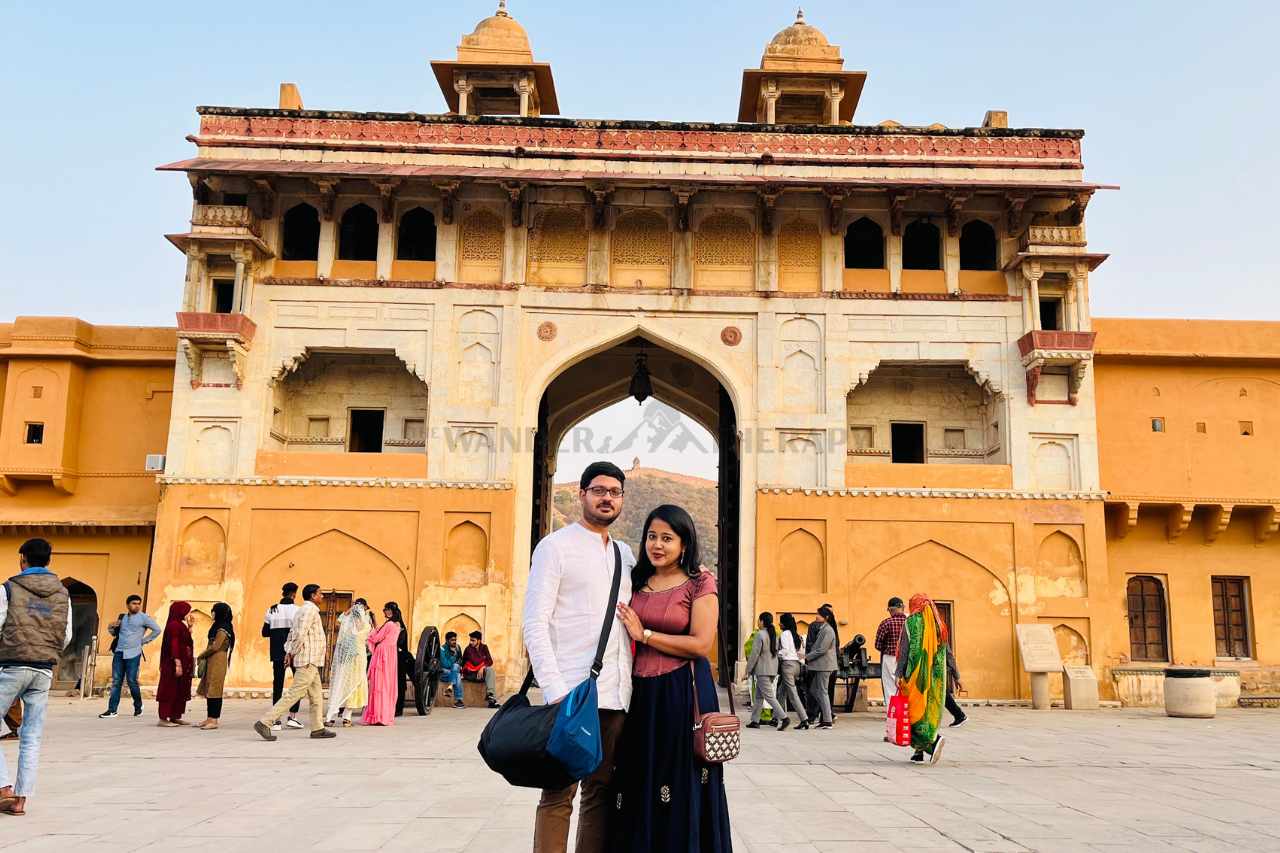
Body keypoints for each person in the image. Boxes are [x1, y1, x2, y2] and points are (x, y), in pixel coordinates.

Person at [523, 461, 636, 853]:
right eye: (599, 490)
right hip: (570, 692)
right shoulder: (555, 547)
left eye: (615, 492)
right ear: (582, 494)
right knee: (557, 795)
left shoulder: (624, 555)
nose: (608, 498)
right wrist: (555, 690)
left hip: (616, 695)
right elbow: (534, 623)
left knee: (600, 793)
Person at [611, 504, 732, 851]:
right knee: (638, 777)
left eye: (667, 538)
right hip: (641, 695)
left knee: (680, 780)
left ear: (684, 543)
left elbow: (701, 643)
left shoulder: (699, 582)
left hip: (682, 692)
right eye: (651, 536)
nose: (657, 545)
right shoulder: (635, 580)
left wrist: (644, 634)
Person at [0, 538, 71, 817]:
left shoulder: (9, 589)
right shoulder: (63, 593)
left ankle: (4, 786)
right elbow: (66, 637)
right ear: (49, 561)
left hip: (11, 665)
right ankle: (20, 801)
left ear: (22, 559)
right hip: (43, 670)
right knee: (31, 736)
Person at [253, 584, 336, 741]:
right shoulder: (308, 610)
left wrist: (288, 651)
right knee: (294, 693)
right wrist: (291, 652)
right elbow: (299, 634)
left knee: (316, 696)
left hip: (312, 660)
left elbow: (292, 632)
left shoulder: (303, 610)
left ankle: (318, 728)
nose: (322, 596)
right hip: (307, 659)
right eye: (320, 594)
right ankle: (265, 722)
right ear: (313, 595)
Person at [895, 593, 950, 764]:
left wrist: (899, 673)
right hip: (935, 677)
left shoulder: (911, 622)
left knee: (913, 712)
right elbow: (946, 651)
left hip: (915, 676)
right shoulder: (938, 624)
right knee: (928, 710)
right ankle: (918, 752)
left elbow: (904, 650)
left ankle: (932, 743)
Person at [98, 594, 161, 719]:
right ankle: (112, 710)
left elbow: (157, 630)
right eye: (134, 603)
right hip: (119, 652)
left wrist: (143, 641)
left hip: (133, 653)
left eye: (138, 603)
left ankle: (138, 706)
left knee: (132, 681)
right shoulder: (123, 618)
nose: (136, 606)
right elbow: (114, 634)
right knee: (116, 682)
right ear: (128, 605)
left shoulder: (144, 618)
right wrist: (111, 626)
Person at [262, 582, 302, 731]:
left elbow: (265, 632)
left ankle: (276, 720)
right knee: (298, 685)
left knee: (277, 685)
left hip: (277, 652)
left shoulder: (272, 610)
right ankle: (292, 717)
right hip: (294, 652)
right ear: (294, 594)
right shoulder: (298, 611)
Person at [325, 600, 371, 727]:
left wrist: (350, 611)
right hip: (356, 659)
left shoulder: (347, 626)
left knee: (341, 684)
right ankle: (345, 717)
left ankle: (332, 716)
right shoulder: (364, 626)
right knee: (352, 685)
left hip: (348, 659)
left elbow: (339, 622)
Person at [195, 602, 234, 730]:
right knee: (209, 687)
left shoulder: (224, 627)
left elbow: (216, 646)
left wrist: (202, 655)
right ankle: (209, 718)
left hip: (218, 659)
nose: (212, 613)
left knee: (215, 689)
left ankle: (214, 719)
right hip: (212, 659)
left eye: (214, 611)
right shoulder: (217, 625)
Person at [746, 611, 787, 730]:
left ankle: (784, 718)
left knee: (769, 696)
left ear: (762, 621)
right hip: (772, 669)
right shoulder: (774, 634)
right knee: (759, 697)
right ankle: (755, 720)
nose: (758, 623)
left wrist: (748, 670)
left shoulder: (760, 634)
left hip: (762, 670)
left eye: (759, 620)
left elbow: (754, 654)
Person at [155, 602, 195, 727]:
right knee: (169, 689)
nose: (189, 614)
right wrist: (177, 663)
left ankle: (174, 716)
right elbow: (174, 644)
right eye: (187, 611)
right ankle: (163, 718)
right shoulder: (174, 625)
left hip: (181, 662)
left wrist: (189, 627)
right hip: (173, 664)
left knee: (179, 690)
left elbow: (185, 642)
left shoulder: (180, 625)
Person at [363, 602, 402, 726]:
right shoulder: (397, 624)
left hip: (382, 654)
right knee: (387, 684)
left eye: (385, 609)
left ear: (390, 611)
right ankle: (385, 714)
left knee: (379, 684)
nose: (384, 612)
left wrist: (369, 632)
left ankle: (378, 716)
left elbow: (376, 638)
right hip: (391, 655)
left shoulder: (389, 624)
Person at [803, 605, 837, 729]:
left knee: (822, 691)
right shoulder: (824, 628)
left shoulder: (828, 630)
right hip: (820, 665)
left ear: (826, 617)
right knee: (814, 690)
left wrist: (807, 657)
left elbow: (822, 649)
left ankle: (827, 720)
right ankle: (827, 716)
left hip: (825, 665)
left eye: (819, 614)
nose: (816, 616)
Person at [777, 612, 807, 729]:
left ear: (784, 624)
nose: (779, 624)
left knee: (793, 694)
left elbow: (785, 650)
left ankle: (804, 718)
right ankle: (777, 717)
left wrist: (775, 654)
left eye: (780, 622)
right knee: (781, 692)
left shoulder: (785, 634)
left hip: (788, 665)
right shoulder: (795, 634)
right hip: (796, 665)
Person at [875, 596, 907, 705]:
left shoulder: (886, 623)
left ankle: (893, 712)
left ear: (890, 609)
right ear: (902, 607)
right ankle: (906, 711)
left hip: (890, 657)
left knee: (890, 686)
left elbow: (878, 644)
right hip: (908, 658)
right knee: (906, 684)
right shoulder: (910, 622)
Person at [461, 630, 499, 709]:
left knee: (490, 670)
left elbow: (490, 661)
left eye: (473, 640)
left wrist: (482, 667)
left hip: (480, 673)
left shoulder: (484, 647)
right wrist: (483, 663)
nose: (471, 642)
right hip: (470, 674)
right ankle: (492, 699)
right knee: (488, 671)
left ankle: (490, 696)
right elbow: (475, 662)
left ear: (479, 641)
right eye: (470, 640)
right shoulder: (468, 649)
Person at [439, 631, 464, 708]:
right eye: (452, 640)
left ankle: (450, 686)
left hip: (452, 673)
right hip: (444, 673)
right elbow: (445, 664)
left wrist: (457, 665)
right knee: (457, 672)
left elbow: (461, 660)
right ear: (447, 641)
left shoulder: (458, 647)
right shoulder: (442, 649)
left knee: (457, 673)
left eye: (455, 640)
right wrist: (453, 656)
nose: (454, 642)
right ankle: (458, 700)